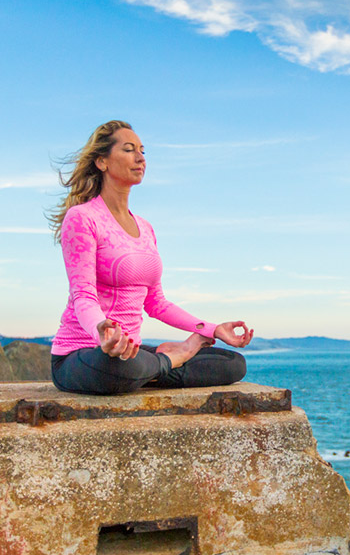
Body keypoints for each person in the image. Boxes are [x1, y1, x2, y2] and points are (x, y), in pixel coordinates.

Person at [48, 120, 253, 395]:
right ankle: (169, 360)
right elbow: (83, 295)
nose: (140, 158)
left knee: (232, 364)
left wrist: (214, 329)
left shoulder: (145, 228)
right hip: (83, 353)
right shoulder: (83, 217)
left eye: (143, 151)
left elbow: (156, 303)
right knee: (115, 367)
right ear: (102, 162)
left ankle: (153, 367)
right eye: (129, 150)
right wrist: (102, 331)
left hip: (131, 353)